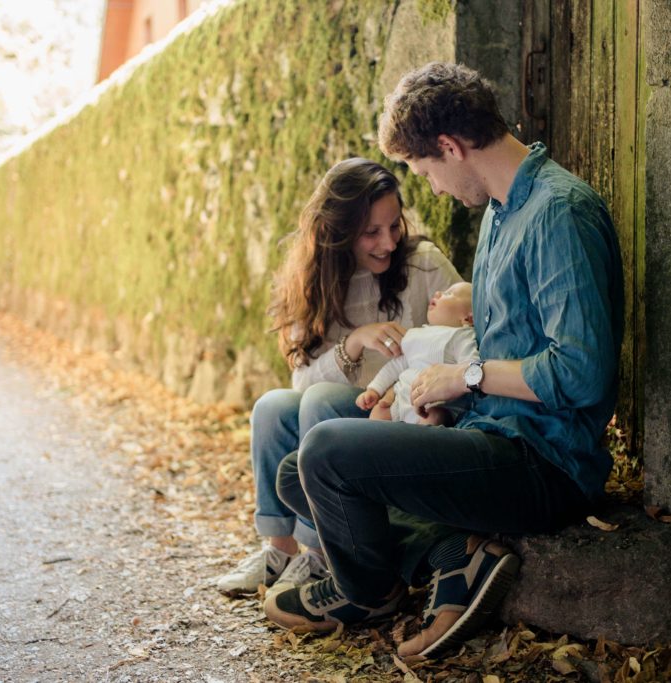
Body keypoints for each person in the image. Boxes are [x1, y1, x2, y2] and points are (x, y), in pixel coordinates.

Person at [264, 62, 624, 659]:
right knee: (294, 474)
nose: (432, 188)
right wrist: (446, 402)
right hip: (488, 434)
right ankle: (448, 556)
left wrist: (464, 377)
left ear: (450, 147)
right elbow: (499, 346)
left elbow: (581, 373)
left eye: (425, 170)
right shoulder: (502, 213)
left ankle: (369, 593)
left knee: (326, 450)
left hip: (545, 463)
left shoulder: (557, 213)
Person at [215, 157, 462, 597]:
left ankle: (319, 553)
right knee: (272, 406)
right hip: (339, 412)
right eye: (371, 232)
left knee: (321, 401)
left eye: (394, 226)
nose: (388, 242)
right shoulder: (313, 281)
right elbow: (300, 382)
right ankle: (279, 550)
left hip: (399, 418)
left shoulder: (424, 265)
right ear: (338, 232)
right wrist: (353, 344)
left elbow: (466, 330)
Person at [356, 281, 478, 426]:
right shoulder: (416, 335)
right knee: (379, 412)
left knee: (436, 416)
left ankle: (417, 437)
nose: (438, 293)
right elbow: (395, 366)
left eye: (448, 293)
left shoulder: (462, 336)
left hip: (433, 405)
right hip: (400, 400)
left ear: (468, 318)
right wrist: (374, 389)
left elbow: (471, 367)